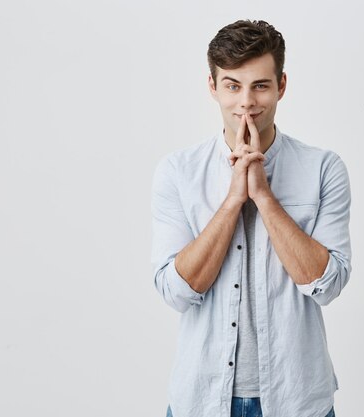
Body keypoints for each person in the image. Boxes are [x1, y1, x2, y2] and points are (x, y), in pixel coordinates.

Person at [151, 19, 352, 417]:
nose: (246, 102)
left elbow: (327, 285)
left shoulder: (323, 169)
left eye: (260, 85)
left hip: (298, 401)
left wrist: (262, 195)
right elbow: (175, 291)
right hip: (201, 401)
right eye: (232, 85)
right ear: (212, 87)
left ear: (281, 86)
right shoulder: (178, 172)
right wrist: (232, 202)